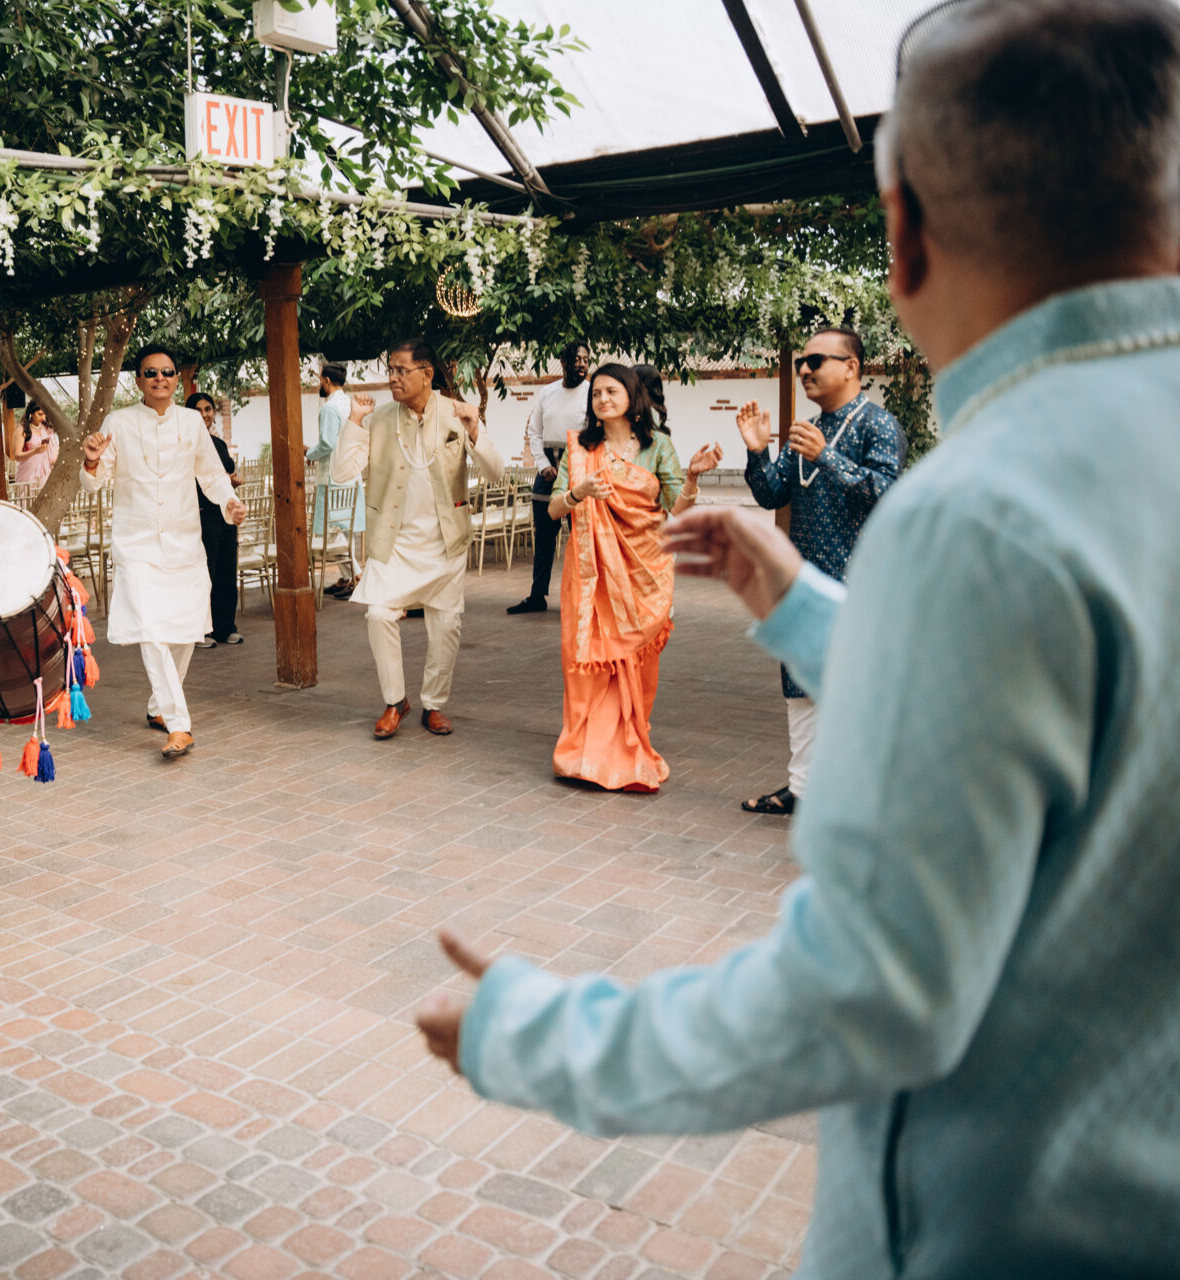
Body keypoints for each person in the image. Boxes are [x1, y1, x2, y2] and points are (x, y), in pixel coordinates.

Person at [419, 3, 1180, 1274]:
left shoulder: (984, 507)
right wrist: (805, 606)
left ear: (906, 231)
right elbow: (1077, 707)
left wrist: (541, 1035)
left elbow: (872, 989)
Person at [738, 326, 903, 815]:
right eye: (800, 364)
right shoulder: (806, 430)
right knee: (801, 685)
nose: (805, 370)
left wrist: (826, 457)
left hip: (859, 584)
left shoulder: (878, 425)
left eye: (816, 361)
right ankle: (804, 789)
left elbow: (888, 494)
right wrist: (757, 451)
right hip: (804, 582)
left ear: (851, 367)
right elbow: (772, 494)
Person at [548, 363, 719, 791]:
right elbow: (553, 508)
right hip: (592, 574)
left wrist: (692, 477)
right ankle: (583, 756)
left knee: (637, 663)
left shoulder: (658, 446)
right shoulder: (580, 448)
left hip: (644, 568)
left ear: (632, 397)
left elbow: (675, 509)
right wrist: (578, 493)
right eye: (596, 393)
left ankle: (628, 745)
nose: (602, 399)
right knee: (587, 662)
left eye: (612, 391)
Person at [333, 337, 502, 739]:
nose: (393, 378)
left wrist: (474, 429)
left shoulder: (457, 413)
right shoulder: (378, 419)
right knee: (378, 615)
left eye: (401, 370)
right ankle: (395, 701)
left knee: (446, 625)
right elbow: (341, 473)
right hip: (393, 543)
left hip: (445, 541)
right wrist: (354, 422)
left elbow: (495, 473)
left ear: (427, 374)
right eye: (390, 370)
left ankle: (434, 704)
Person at [80, 345, 244, 759]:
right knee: (151, 629)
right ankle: (178, 724)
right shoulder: (119, 422)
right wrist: (92, 462)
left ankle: (158, 707)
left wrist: (230, 503)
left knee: (186, 630)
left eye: (167, 372)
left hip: (184, 542)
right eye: (151, 372)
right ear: (138, 381)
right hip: (136, 544)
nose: (160, 378)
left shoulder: (191, 422)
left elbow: (212, 475)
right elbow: (93, 483)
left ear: (176, 380)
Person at [507, 342, 589, 616]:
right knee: (543, 537)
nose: (582, 364)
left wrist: (579, 468)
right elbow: (534, 432)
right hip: (548, 471)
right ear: (563, 362)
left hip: (579, 472)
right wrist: (543, 465)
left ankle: (580, 599)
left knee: (580, 539)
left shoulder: (591, 393)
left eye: (585, 359)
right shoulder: (547, 393)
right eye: (576, 359)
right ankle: (537, 596)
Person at [187, 392, 243, 649]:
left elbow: (224, 474)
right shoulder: (184, 446)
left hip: (224, 514)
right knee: (204, 574)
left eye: (208, 409)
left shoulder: (218, 444)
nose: (204, 414)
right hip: (200, 515)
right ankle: (201, 630)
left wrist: (231, 483)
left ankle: (226, 627)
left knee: (226, 571)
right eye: (198, 410)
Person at [307, 362, 363, 599]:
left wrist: (309, 453)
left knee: (331, 532)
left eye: (320, 380)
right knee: (344, 531)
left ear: (327, 380)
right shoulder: (351, 405)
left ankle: (357, 576)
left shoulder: (330, 408)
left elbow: (328, 444)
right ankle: (348, 577)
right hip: (351, 474)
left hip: (333, 477)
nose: (319, 384)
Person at [10, 403, 59, 489]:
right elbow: (17, 456)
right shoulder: (22, 430)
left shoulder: (48, 429)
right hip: (28, 474)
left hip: (47, 473)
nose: (43, 417)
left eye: (44, 414)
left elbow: (55, 450)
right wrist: (35, 451)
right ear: (31, 413)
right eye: (40, 414)